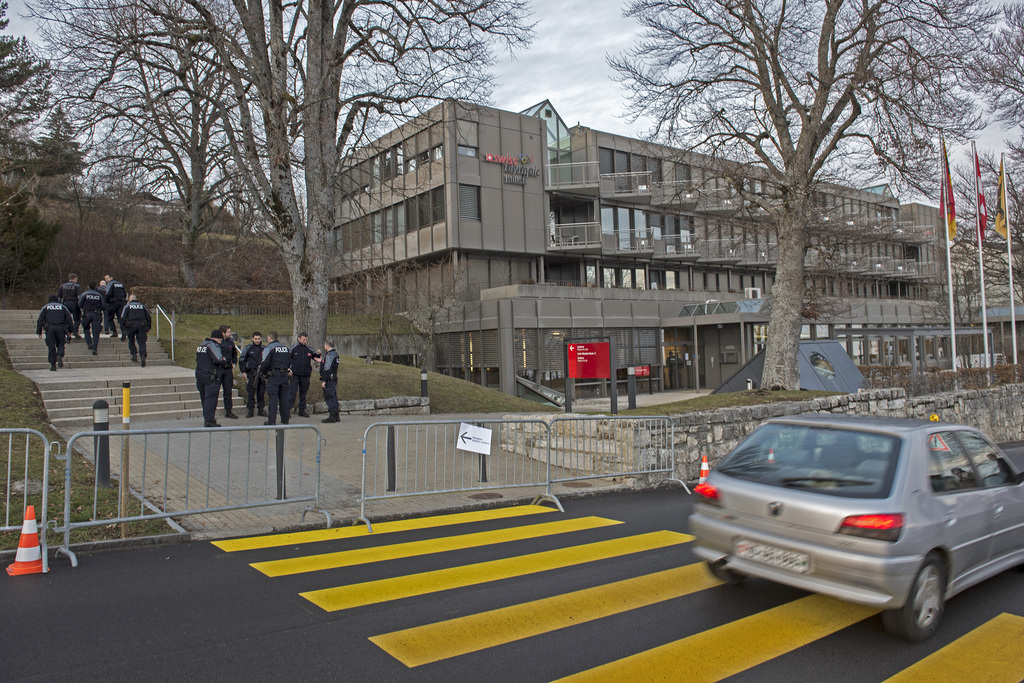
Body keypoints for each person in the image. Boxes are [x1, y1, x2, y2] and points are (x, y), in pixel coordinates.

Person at [195, 330, 230, 428]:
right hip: (210, 376)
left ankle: (207, 417)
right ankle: (209, 420)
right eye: (220, 340)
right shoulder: (212, 345)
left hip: (200, 374)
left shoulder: (202, 345)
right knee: (210, 398)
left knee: (204, 398)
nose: (220, 342)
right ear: (218, 339)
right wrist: (224, 361)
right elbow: (218, 359)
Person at [258, 331, 292, 425]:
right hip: (284, 375)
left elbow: (264, 363)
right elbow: (289, 361)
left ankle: (271, 421)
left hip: (274, 376)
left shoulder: (269, 348)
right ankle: (285, 420)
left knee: (273, 398)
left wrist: (264, 373)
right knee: (284, 398)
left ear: (269, 337)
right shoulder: (285, 348)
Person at [36, 295, 73, 371]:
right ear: (57, 300)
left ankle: (53, 365)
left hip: (50, 328)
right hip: (61, 328)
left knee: (51, 346)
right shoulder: (63, 307)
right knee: (61, 343)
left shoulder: (45, 307)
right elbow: (69, 318)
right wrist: (70, 330)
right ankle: (59, 355)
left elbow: (40, 320)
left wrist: (39, 331)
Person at [288, 332, 320, 418]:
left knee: (303, 393)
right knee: (292, 392)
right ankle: (288, 410)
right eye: (303, 339)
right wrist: (288, 369)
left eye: (306, 339)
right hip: (295, 374)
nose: (305, 341)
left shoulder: (309, 349)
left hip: (305, 375)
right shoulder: (293, 348)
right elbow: (288, 359)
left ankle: (301, 410)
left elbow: (315, 357)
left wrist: (318, 354)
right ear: (299, 339)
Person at [119, 294, 152, 367]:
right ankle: (143, 355)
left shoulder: (127, 306)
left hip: (131, 326)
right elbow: (148, 317)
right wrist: (148, 327)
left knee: (131, 340)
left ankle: (134, 355)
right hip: (141, 325)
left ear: (129, 300)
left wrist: (123, 328)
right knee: (142, 341)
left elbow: (122, 318)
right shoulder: (142, 306)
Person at [239, 331, 266, 418]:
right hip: (251, 372)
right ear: (252, 339)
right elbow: (242, 360)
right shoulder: (248, 348)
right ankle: (251, 410)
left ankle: (261, 409)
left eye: (258, 339)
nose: (257, 340)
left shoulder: (264, 348)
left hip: (261, 374)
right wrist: (243, 371)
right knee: (251, 392)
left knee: (261, 392)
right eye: (255, 339)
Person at [218, 325, 239, 419]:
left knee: (228, 391)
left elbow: (235, 353)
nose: (230, 334)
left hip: (228, 370)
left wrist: (234, 361)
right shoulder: (218, 342)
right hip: (219, 369)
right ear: (223, 333)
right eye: (229, 332)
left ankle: (228, 411)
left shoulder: (231, 342)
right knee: (214, 391)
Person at [78, 282, 106, 355]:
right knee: (96, 332)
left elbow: (80, 304)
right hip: (96, 314)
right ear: (96, 287)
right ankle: (94, 349)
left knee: (86, 328)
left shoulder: (84, 294)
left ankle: (89, 343)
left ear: (88, 286)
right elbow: (103, 305)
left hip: (87, 313)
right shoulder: (99, 295)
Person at [57, 273, 82, 341]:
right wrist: (81, 306)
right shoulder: (77, 286)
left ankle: (68, 333)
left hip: (65, 304)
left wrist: (59, 305)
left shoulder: (62, 286)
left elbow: (59, 297)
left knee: (67, 319)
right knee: (77, 319)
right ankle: (75, 331)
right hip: (74, 303)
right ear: (74, 278)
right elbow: (79, 297)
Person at [319, 339, 340, 423]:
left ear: (327, 345)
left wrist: (324, 380)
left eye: (325, 345)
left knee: (329, 397)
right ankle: (336, 415)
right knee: (334, 397)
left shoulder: (329, 355)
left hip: (329, 379)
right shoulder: (335, 354)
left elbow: (327, 369)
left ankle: (332, 416)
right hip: (333, 378)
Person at [103, 274, 128, 338]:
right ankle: (123, 331)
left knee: (110, 318)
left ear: (111, 278)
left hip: (113, 303)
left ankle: (114, 332)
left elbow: (107, 294)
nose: (106, 280)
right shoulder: (120, 284)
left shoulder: (110, 284)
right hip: (121, 303)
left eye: (107, 278)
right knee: (120, 318)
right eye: (105, 279)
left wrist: (107, 301)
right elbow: (125, 294)